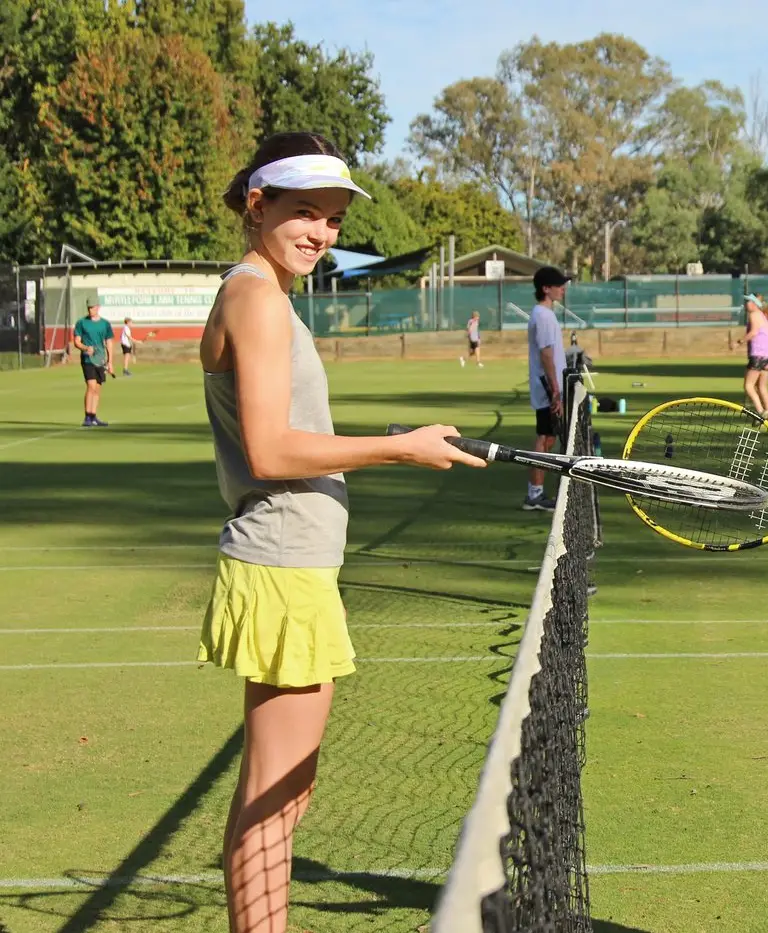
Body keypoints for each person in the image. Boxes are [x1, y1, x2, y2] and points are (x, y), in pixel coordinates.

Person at [197, 131, 486, 933]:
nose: (321, 233)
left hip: (294, 564)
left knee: (282, 794)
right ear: (258, 205)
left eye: (330, 217)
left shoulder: (261, 292)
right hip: (283, 564)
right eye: (303, 212)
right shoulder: (255, 298)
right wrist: (402, 445)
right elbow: (269, 448)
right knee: (274, 800)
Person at [525, 265, 569, 511]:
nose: (562, 288)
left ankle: (537, 493)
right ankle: (534, 495)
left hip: (551, 387)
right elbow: (546, 354)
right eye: (558, 285)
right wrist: (555, 390)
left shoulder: (546, 315)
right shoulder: (542, 315)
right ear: (545, 288)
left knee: (549, 438)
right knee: (544, 438)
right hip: (547, 388)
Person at [72, 300, 114, 426]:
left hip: (100, 359)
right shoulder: (81, 323)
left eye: (93, 308)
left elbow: (109, 342)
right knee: (91, 386)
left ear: (98, 307)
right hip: (87, 359)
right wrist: (85, 348)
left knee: (97, 388)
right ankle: (87, 417)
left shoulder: (105, 324)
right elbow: (76, 341)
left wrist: (110, 361)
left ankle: (94, 415)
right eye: (89, 308)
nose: (91, 310)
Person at [741, 292, 768, 422]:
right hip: (767, 355)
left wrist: (739, 341)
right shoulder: (763, 316)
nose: (746, 304)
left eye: (748, 302)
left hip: (758, 355)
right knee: (762, 387)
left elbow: (754, 332)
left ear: (755, 304)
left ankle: (761, 412)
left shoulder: (754, 314)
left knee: (748, 386)